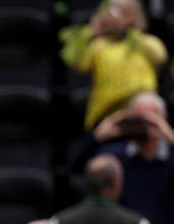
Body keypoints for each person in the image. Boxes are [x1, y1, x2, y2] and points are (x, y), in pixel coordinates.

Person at [78, 92, 174, 224]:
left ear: (164, 121)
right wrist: (97, 138)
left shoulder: (170, 158)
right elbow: (80, 170)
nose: (142, 126)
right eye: (136, 119)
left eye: (149, 120)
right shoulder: (114, 156)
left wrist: (170, 137)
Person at [60, 0, 167, 130]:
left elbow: (160, 56)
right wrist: (90, 31)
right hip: (108, 111)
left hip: (142, 110)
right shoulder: (99, 46)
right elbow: (75, 62)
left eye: (124, 12)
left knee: (148, 104)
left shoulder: (148, 42)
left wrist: (131, 29)